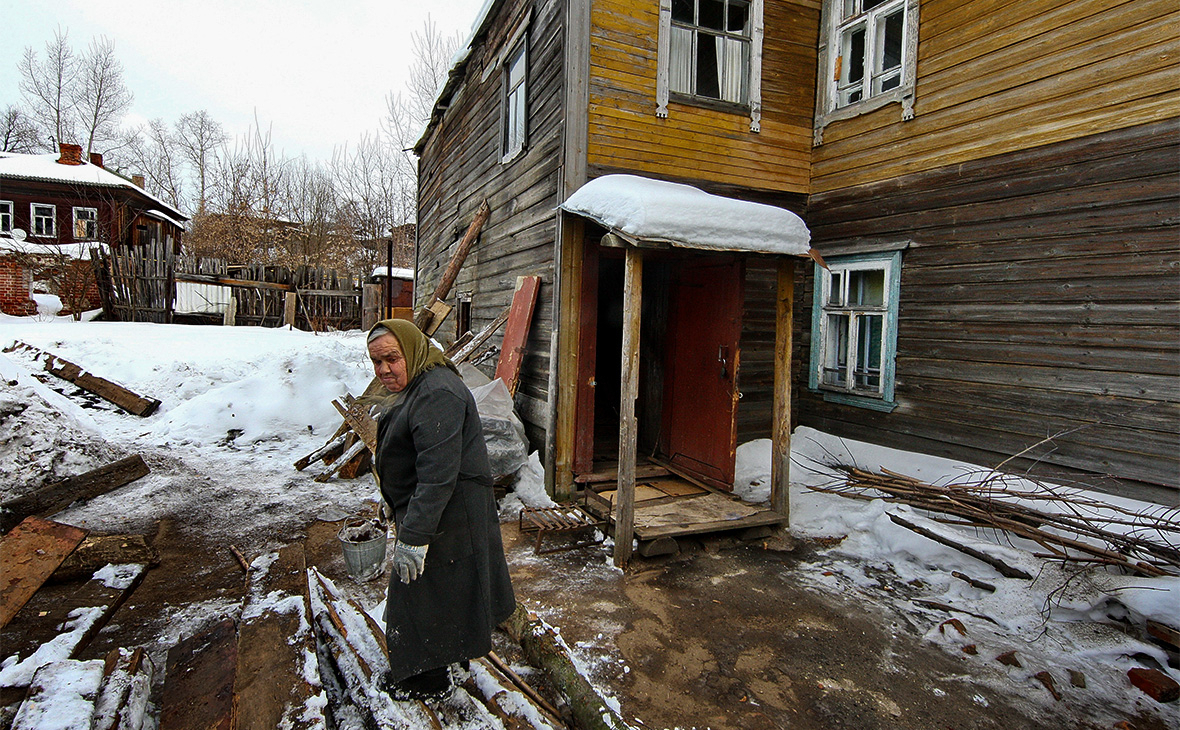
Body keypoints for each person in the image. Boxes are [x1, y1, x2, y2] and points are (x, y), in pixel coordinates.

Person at [365, 318, 516, 701]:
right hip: (434, 510)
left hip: (449, 513)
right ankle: (451, 657)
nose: (384, 370)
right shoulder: (416, 383)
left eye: (391, 359)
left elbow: (437, 475)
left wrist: (414, 537)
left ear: (411, 350)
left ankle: (425, 680)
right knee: (447, 591)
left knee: (423, 594)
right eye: (376, 362)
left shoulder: (437, 393)